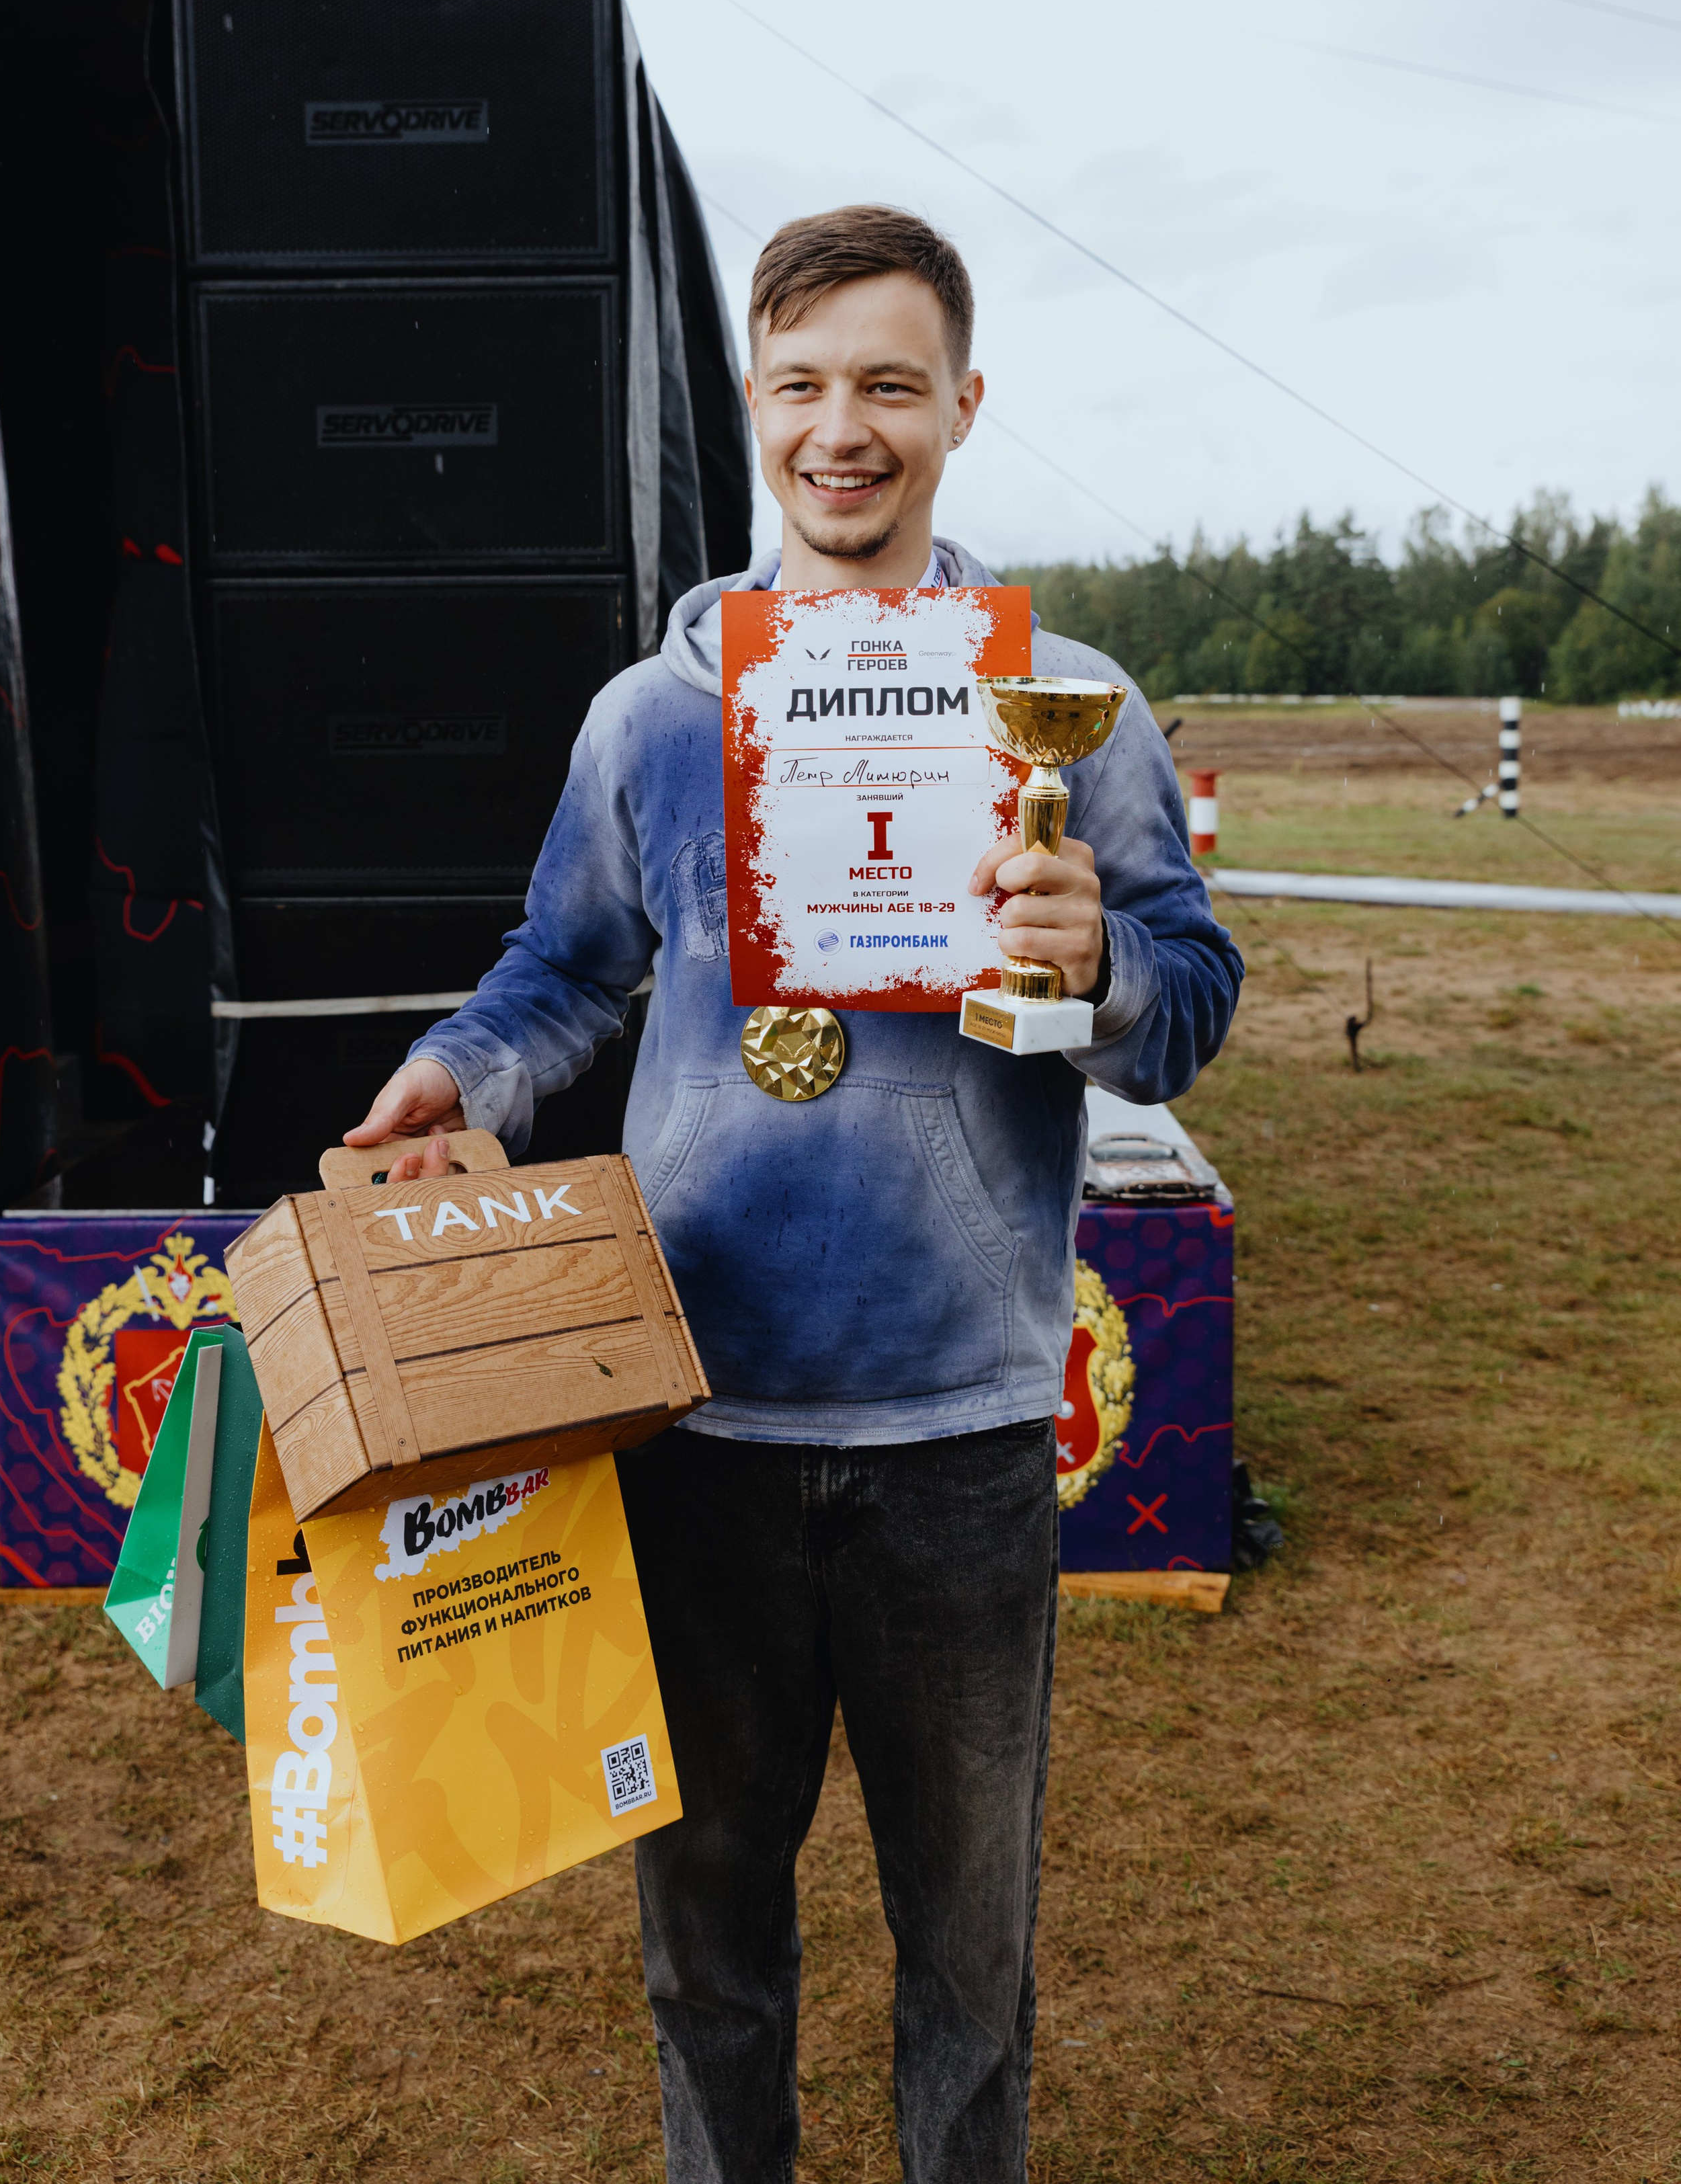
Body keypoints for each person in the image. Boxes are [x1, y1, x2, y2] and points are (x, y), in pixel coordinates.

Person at [346, 204, 1241, 2184]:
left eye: (893, 387)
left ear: (963, 407)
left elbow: (1191, 1010)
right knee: (710, 1959)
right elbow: (563, 971)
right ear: (756, 405)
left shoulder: (1067, 712)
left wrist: (1097, 956)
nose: (849, 430)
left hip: (964, 1437)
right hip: (695, 1421)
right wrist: (455, 1069)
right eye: (810, 385)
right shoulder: (653, 716)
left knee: (973, 1982)